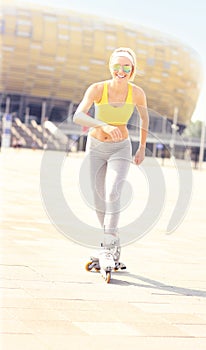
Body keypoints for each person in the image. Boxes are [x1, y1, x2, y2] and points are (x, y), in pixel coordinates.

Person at [73, 47, 149, 268]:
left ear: (132, 69)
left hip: (120, 148)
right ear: (110, 67)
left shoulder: (137, 93)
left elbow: (145, 120)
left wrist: (142, 147)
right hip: (96, 146)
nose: (121, 71)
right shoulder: (97, 89)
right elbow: (79, 115)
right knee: (98, 200)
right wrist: (103, 124)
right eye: (117, 66)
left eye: (126, 66)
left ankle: (106, 248)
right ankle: (113, 242)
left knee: (113, 192)